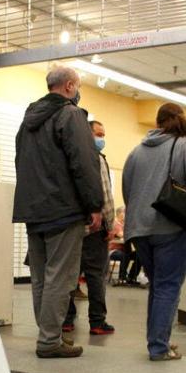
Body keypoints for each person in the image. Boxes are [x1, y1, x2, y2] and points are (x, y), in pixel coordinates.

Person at [13, 66, 103, 358]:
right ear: (68, 86)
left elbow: (20, 162)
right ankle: (49, 340)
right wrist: (94, 205)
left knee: (40, 277)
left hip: (33, 209)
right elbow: (84, 163)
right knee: (60, 278)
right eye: (77, 86)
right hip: (63, 209)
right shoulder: (71, 115)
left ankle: (46, 334)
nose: (77, 91)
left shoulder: (27, 121)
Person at [122, 102, 186, 361]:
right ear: (181, 119)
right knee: (168, 286)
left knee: (158, 285)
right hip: (172, 224)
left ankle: (159, 340)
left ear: (157, 122)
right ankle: (159, 347)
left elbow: (127, 189)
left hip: (140, 228)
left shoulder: (137, 151)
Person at [63, 120, 116, 335]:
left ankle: (66, 319)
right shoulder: (97, 159)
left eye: (103, 134)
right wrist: (111, 224)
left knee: (69, 275)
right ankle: (97, 321)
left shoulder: (67, 155)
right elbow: (105, 196)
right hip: (94, 229)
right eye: (98, 134)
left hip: (71, 226)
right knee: (95, 276)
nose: (101, 139)